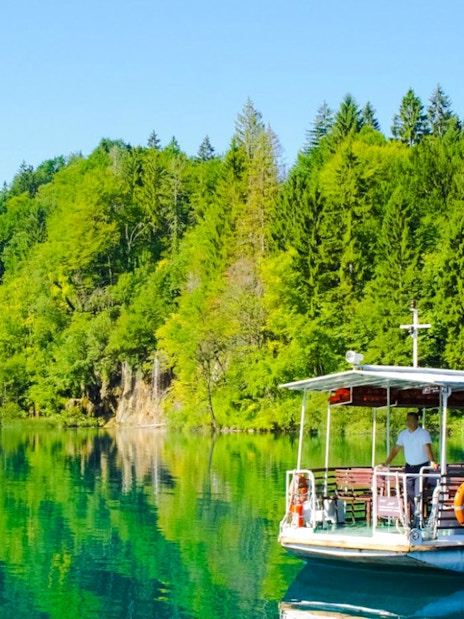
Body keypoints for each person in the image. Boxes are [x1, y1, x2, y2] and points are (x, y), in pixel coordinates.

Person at [381, 411, 439, 522]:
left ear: (417, 421)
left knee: (418, 493)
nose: (409, 422)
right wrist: (387, 462)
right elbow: (396, 449)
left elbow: (427, 447)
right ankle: (414, 515)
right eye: (408, 420)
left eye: (412, 419)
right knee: (410, 492)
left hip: (421, 467)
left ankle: (419, 517)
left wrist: (432, 461)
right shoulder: (403, 434)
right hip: (409, 467)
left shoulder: (423, 433)